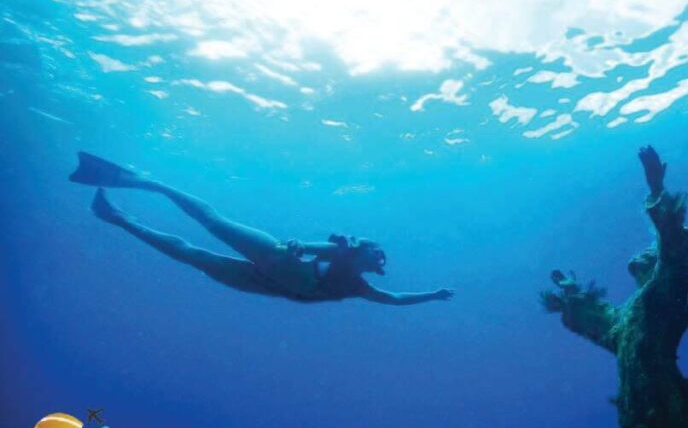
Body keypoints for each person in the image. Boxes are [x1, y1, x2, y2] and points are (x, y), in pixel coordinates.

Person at [69, 151, 454, 305]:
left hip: (265, 283)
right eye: (376, 252)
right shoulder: (341, 252)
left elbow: (396, 300)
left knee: (192, 254)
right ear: (363, 250)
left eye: (378, 258)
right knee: (212, 220)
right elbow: (306, 246)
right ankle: (141, 180)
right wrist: (298, 243)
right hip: (276, 259)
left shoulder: (358, 286)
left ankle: (117, 218)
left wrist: (432, 295)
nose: (379, 259)